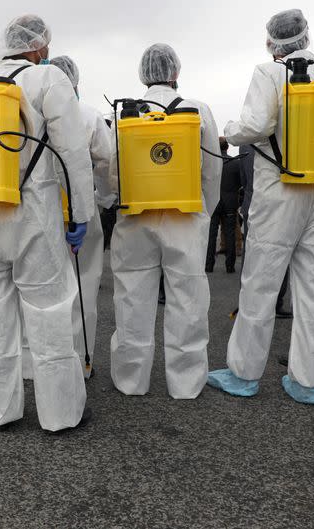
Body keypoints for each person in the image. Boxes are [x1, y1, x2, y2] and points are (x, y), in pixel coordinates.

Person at [0, 14, 95, 432]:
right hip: (31, 212)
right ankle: (60, 414)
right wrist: (81, 213)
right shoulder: (47, 78)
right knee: (49, 310)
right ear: (38, 47)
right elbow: (73, 154)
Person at [209, 9, 314, 404]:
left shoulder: (270, 74)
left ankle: (244, 373)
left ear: (273, 43)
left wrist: (231, 129)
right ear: (306, 36)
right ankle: (307, 381)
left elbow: (255, 126)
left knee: (261, 283)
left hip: (281, 189)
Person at [109, 43, 222, 399]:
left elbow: (113, 172)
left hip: (135, 217)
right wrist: (205, 209)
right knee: (188, 298)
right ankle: (186, 384)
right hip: (185, 216)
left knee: (131, 297)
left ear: (143, 75)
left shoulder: (125, 114)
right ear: (176, 73)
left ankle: (131, 381)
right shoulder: (197, 110)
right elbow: (213, 168)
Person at [47, 55, 114, 379]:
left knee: (40, 287)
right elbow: (107, 163)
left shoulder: (30, 112)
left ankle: (42, 361)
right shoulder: (87, 115)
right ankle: (78, 362)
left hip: (40, 212)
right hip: (80, 212)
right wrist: (104, 198)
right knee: (84, 284)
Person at [238, 144, 292, 318]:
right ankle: (276, 303)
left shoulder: (245, 144)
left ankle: (248, 301)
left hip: (251, 200)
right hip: (276, 202)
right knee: (281, 251)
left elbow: (244, 177)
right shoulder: (280, 138)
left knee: (251, 253)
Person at [206, 137, 241, 273]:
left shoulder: (210, 164)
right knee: (230, 234)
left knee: (211, 235)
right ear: (227, 147)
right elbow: (240, 182)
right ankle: (230, 266)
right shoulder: (235, 163)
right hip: (230, 201)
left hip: (213, 201)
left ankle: (209, 265)